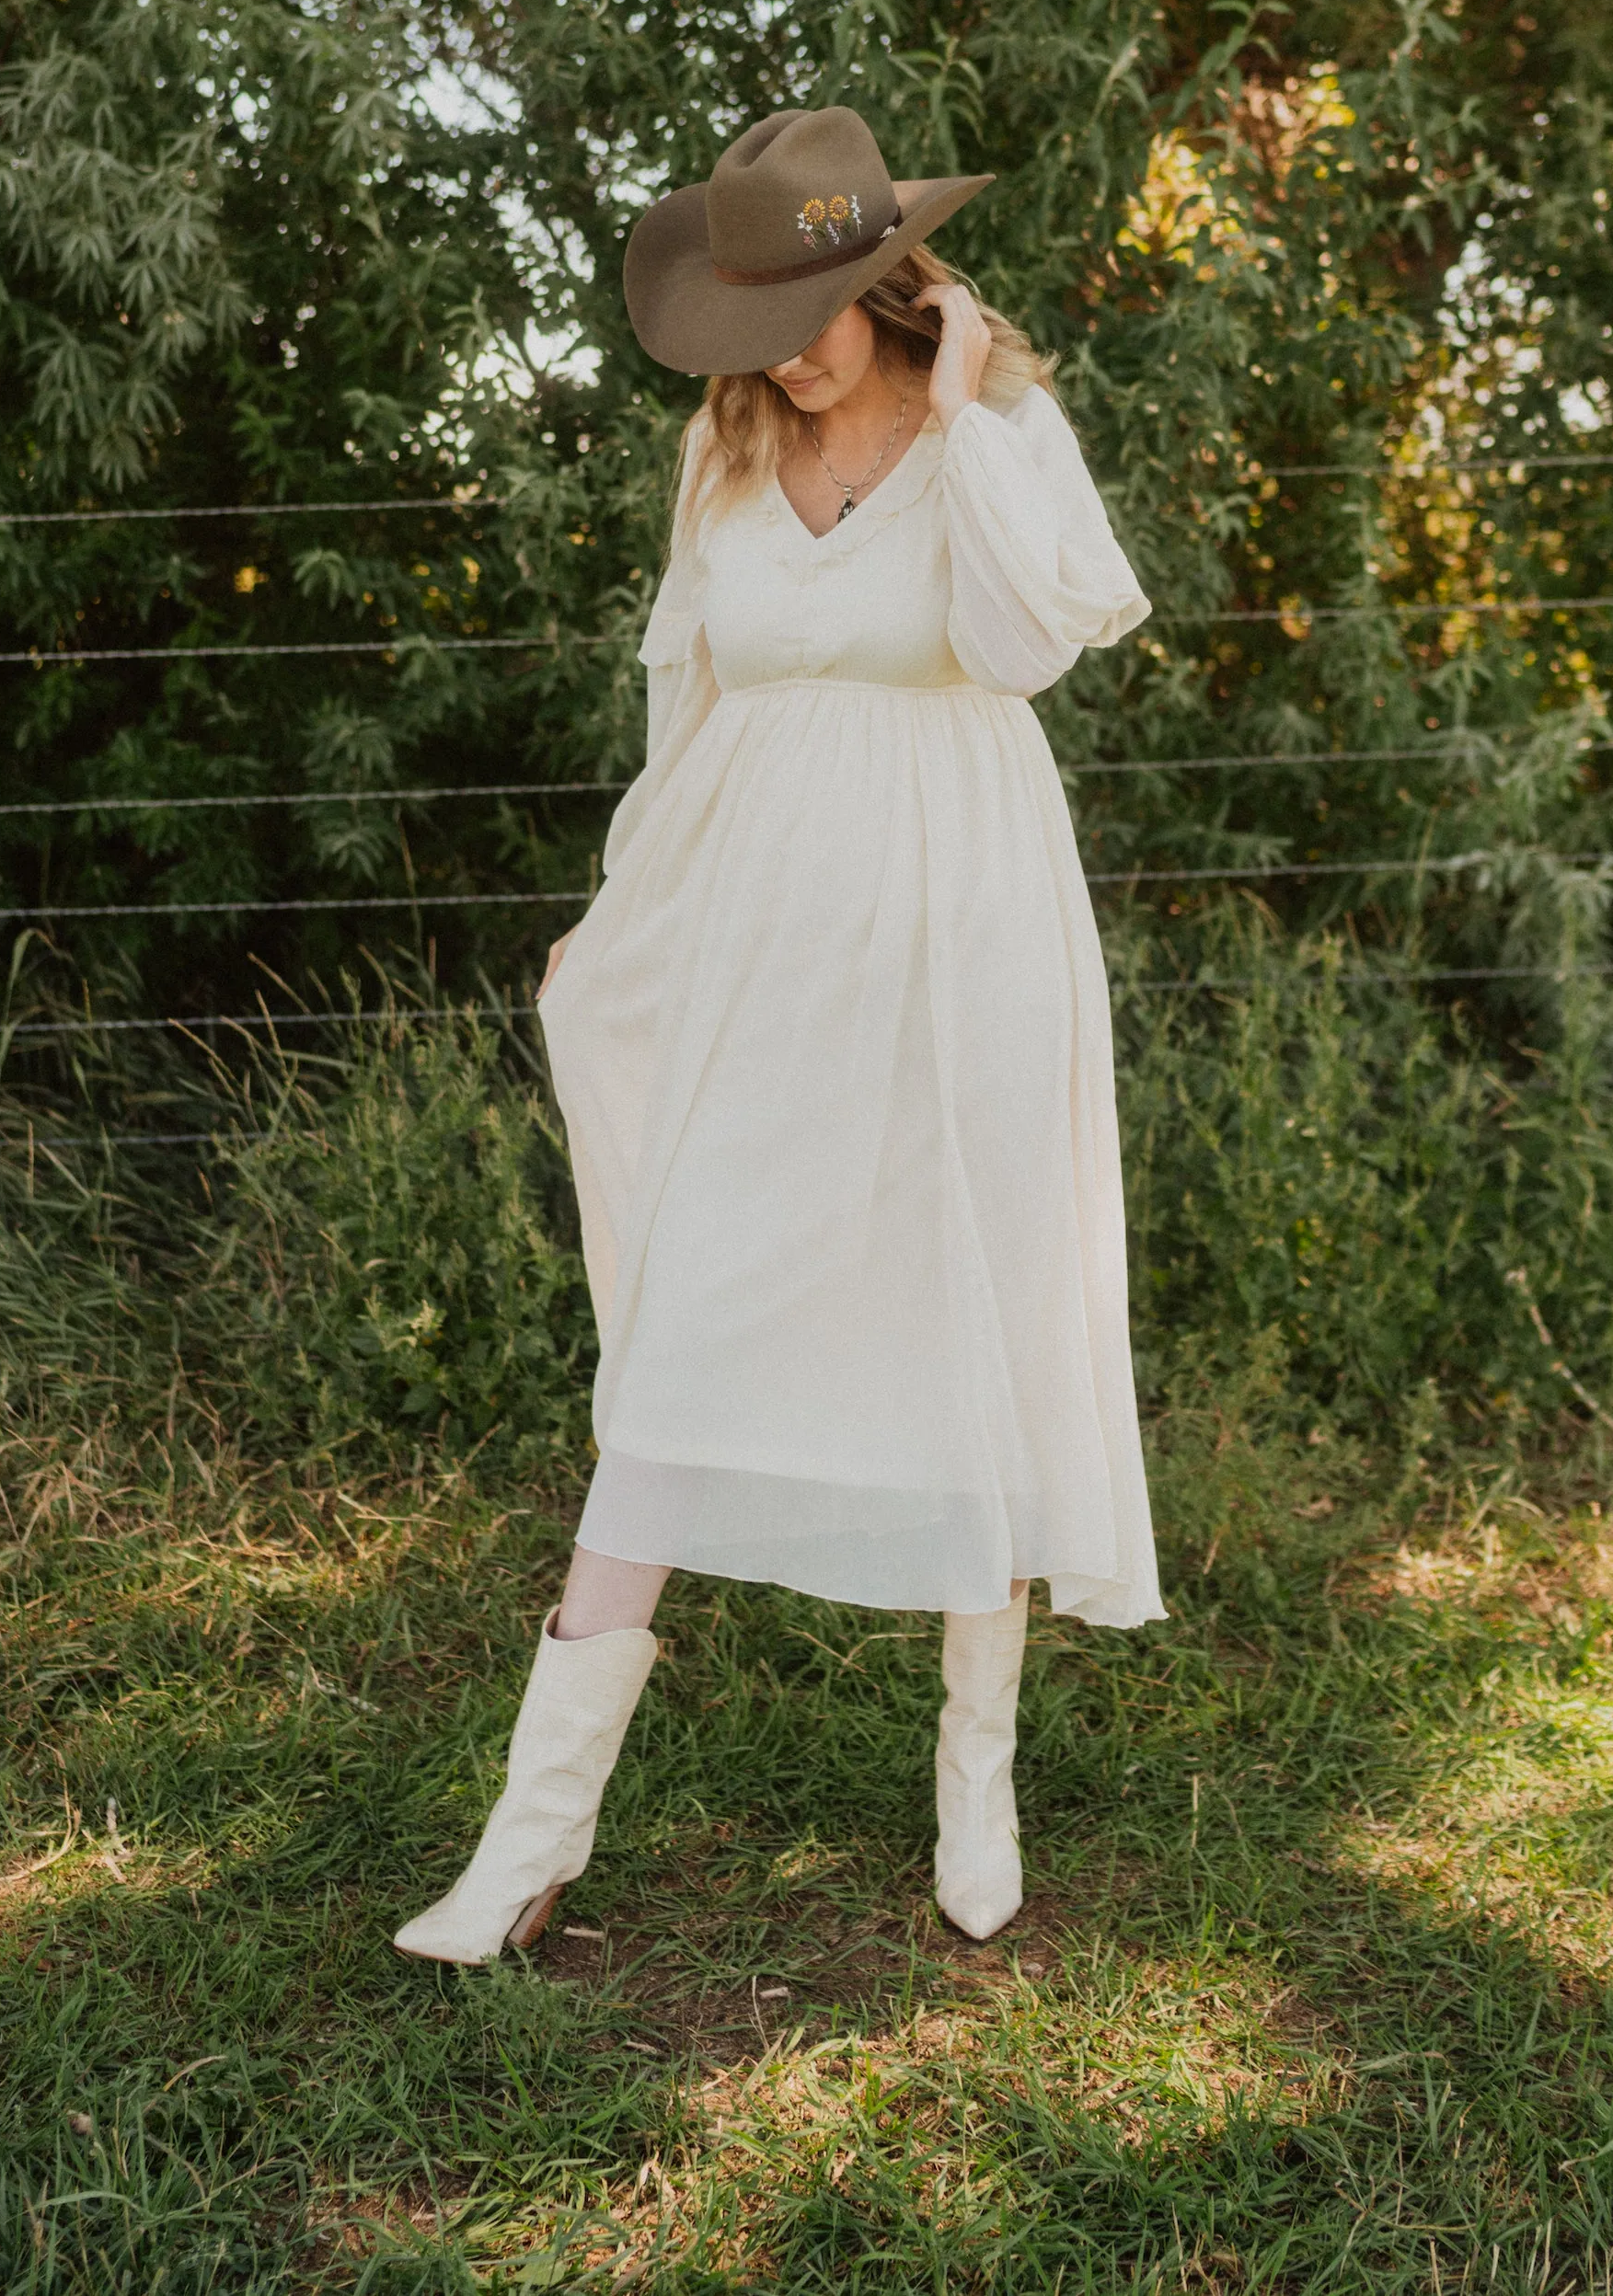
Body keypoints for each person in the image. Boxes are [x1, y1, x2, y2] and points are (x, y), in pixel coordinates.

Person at [395, 106, 1162, 1967]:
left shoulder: (999, 429)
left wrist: (968, 408)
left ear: (894, 279)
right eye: (759, 317)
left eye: (817, 307)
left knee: (964, 1307)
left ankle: (973, 1772)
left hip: (968, 929)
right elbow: (688, 701)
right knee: (685, 1329)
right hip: (758, 940)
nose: (790, 352)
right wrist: (617, 917)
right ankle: (529, 1835)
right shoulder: (722, 457)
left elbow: (1027, 640)